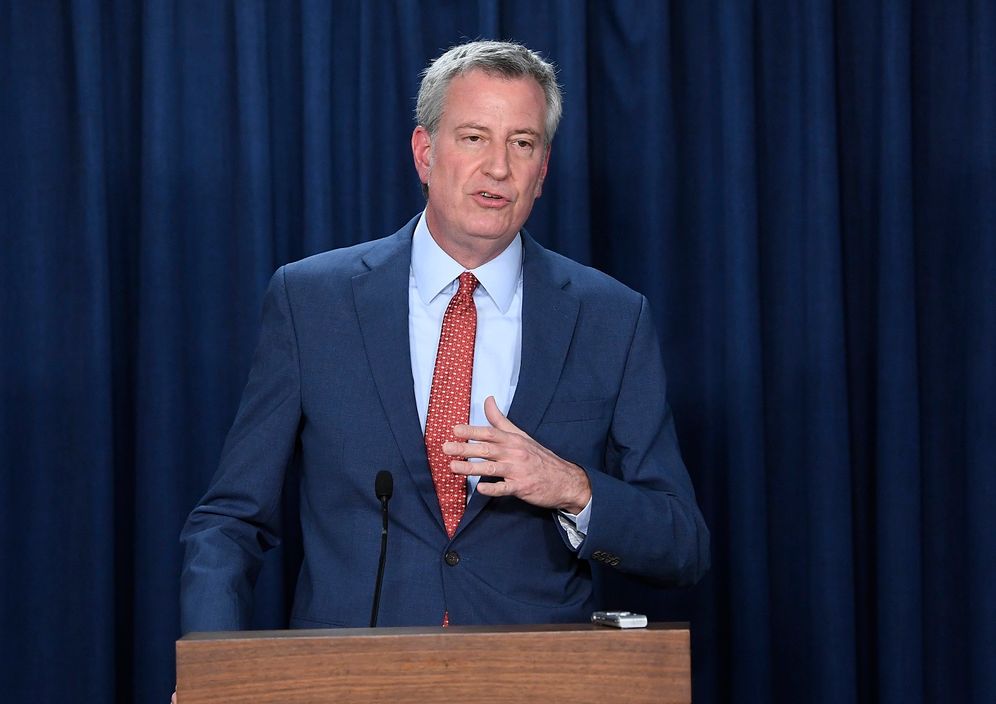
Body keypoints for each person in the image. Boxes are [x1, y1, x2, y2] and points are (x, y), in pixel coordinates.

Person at [179, 40, 708, 638]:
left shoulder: (611, 317)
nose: (499, 168)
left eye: (522, 143)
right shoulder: (312, 302)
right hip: (350, 679)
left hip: (533, 680)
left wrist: (571, 487)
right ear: (425, 153)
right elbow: (230, 521)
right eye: (474, 137)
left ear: (542, 172)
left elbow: (680, 545)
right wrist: (210, 672)